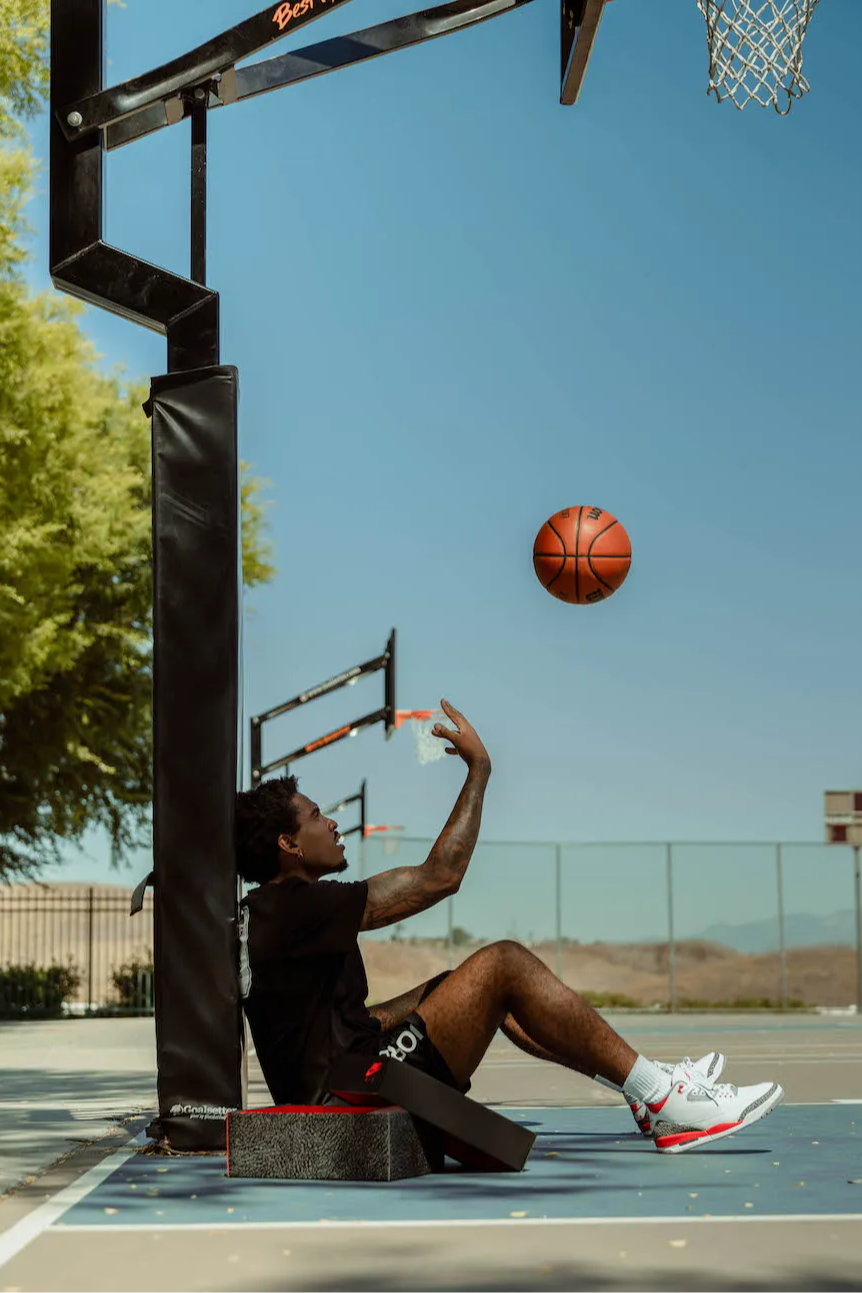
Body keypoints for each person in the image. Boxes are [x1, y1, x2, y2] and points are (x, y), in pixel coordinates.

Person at [236, 700, 783, 1154]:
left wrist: (432, 996)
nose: (331, 822)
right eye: (314, 817)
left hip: (348, 1080)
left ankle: (641, 1092)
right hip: (351, 1098)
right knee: (502, 963)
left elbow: (335, 1026)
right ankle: (665, 1099)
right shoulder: (295, 905)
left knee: (462, 984)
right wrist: (479, 772)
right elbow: (439, 876)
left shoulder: (277, 914)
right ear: (288, 845)